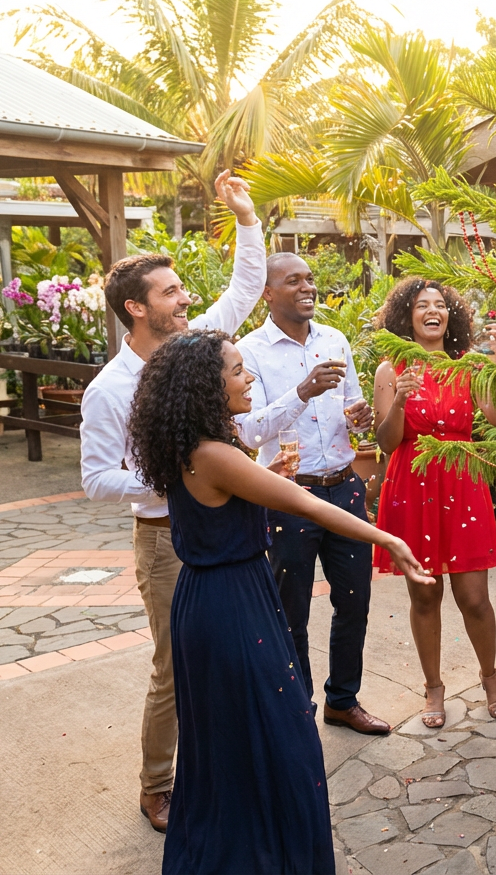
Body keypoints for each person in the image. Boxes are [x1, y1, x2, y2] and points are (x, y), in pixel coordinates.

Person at [127, 330, 430, 874]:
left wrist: (260, 477)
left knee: (232, 743)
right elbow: (306, 504)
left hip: (210, 600)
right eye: (238, 370)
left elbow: (222, 505)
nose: (248, 379)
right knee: (284, 738)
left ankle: (241, 851)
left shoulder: (188, 446)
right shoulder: (215, 452)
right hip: (232, 608)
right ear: (206, 387)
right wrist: (385, 537)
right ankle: (272, 859)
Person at [79, 171, 265, 833]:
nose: (185, 299)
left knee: (230, 655)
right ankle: (156, 785)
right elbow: (97, 478)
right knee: (174, 668)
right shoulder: (109, 389)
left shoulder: (192, 349)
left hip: (221, 530)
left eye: (183, 290)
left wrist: (245, 217)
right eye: (170, 292)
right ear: (135, 307)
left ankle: (222, 771)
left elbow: (245, 291)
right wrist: (171, 475)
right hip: (163, 541)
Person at [234, 252, 389, 734]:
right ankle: (297, 710)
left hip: (343, 487)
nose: (307, 288)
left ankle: (343, 700)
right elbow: (250, 432)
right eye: (293, 280)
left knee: (354, 601)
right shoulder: (251, 351)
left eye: (310, 279)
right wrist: (301, 392)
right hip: (285, 495)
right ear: (267, 292)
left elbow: (351, 403)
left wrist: (358, 414)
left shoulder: (334, 339)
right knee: (291, 609)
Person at [373, 278, 496, 728]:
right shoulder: (390, 369)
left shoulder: (468, 366)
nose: (432, 311)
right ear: (406, 315)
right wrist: (400, 399)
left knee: (474, 597)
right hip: (412, 484)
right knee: (425, 595)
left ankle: (490, 676)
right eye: (421, 305)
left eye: (440, 305)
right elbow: (387, 441)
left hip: (462, 483)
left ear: (450, 315)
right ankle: (433, 687)